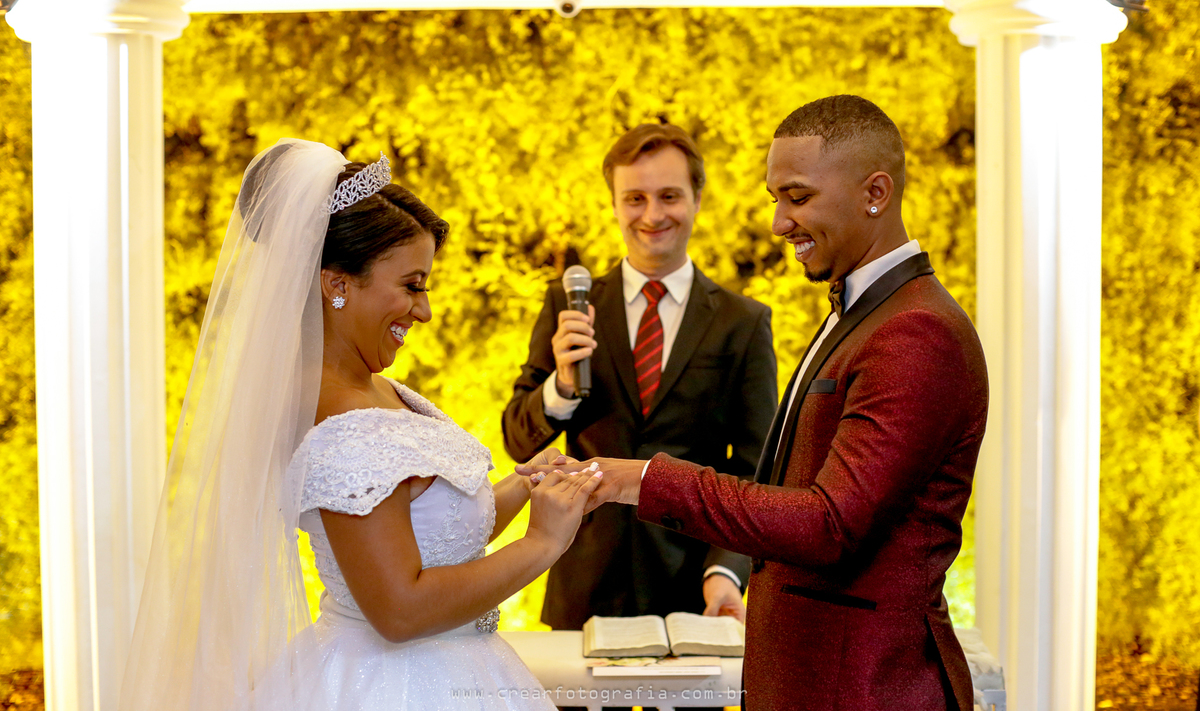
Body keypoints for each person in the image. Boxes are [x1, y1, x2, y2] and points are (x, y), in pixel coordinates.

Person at [526, 96, 989, 711]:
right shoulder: (862, 312)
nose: (778, 223)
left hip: (859, 684)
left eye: (797, 197)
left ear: (875, 192)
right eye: (776, 199)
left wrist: (640, 480)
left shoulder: (914, 332)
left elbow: (829, 525)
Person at [121, 139, 601, 711]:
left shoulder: (375, 389)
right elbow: (400, 611)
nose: (424, 311)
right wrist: (543, 542)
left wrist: (527, 485)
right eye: (412, 286)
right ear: (338, 285)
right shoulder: (342, 424)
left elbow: (437, 533)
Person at [502, 124, 777, 638]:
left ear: (697, 199)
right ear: (614, 204)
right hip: (581, 591)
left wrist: (724, 575)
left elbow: (754, 472)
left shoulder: (743, 323)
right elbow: (518, 440)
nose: (652, 215)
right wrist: (561, 387)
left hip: (693, 597)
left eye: (669, 196)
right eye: (635, 198)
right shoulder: (568, 304)